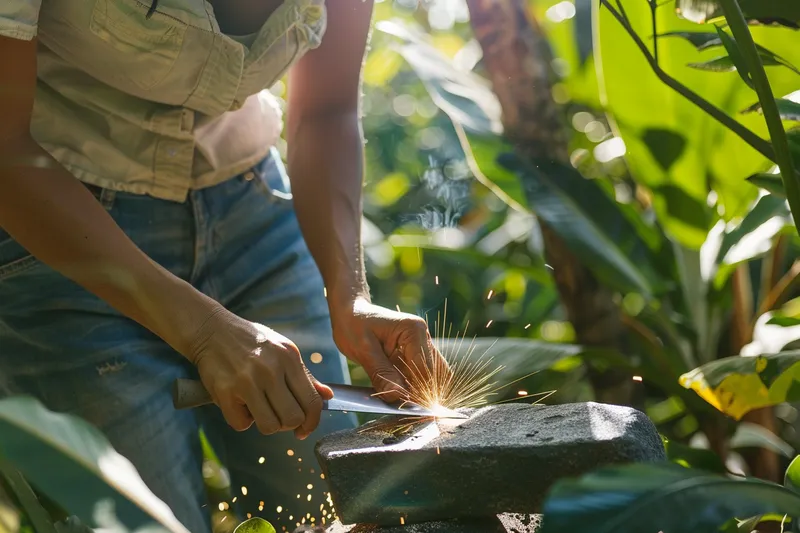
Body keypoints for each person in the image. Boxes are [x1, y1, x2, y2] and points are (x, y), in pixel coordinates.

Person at [0, 1, 445, 531]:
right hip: (67, 233)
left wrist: (348, 293)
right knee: (149, 520)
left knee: (335, 505)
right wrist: (205, 331)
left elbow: (326, 109)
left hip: (256, 211)